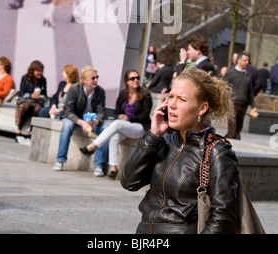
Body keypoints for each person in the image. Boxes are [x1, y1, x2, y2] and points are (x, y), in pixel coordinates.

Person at [121, 67, 239, 234]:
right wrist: (153, 136)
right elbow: (129, 182)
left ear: (202, 108)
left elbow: (223, 219)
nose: (172, 105)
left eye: (182, 99)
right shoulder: (166, 140)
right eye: (170, 97)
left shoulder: (216, 153)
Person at [80, 70, 152, 180]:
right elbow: (117, 112)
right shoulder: (123, 94)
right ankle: (113, 168)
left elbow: (145, 116)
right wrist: (121, 116)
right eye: (132, 78)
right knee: (114, 136)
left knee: (117, 124)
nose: (136, 80)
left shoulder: (146, 95)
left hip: (140, 127)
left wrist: (129, 118)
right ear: (127, 81)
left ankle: (93, 146)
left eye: (137, 77)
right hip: (124, 126)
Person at [53, 66, 108, 177]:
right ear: (84, 80)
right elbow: (68, 111)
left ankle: (98, 165)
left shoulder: (100, 91)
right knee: (67, 126)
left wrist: (96, 121)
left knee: (105, 129)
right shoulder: (74, 89)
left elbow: (101, 112)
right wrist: (81, 122)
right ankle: (60, 160)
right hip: (75, 119)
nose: (96, 80)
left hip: (92, 121)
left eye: (97, 77)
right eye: (93, 78)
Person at [224, 52, 257, 139]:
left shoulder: (248, 75)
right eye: (245, 60)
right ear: (238, 60)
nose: (247, 62)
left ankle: (222, 143)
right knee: (232, 129)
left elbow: (250, 92)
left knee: (238, 129)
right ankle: (225, 147)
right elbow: (223, 87)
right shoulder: (230, 73)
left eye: (248, 60)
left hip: (243, 105)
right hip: (232, 104)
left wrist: (253, 105)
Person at [15, 60, 47, 134]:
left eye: (41, 71)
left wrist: (39, 97)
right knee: (27, 106)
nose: (40, 73)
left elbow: (45, 95)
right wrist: (31, 96)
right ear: (33, 70)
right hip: (26, 100)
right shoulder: (25, 78)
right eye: (38, 71)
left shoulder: (43, 80)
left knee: (37, 109)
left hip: (37, 101)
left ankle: (31, 130)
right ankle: (19, 128)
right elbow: (22, 93)